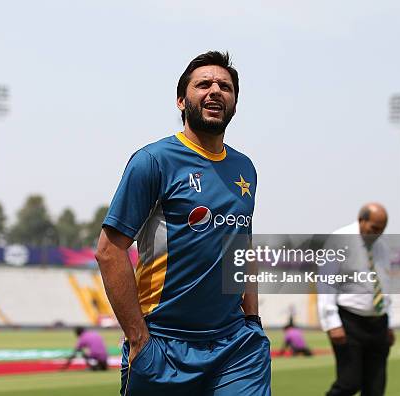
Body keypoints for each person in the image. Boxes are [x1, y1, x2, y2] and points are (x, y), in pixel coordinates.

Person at [95, 51, 270, 395]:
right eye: (203, 84)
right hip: (164, 346)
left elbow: (242, 248)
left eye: (226, 86)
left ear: (234, 103)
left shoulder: (244, 168)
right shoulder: (153, 161)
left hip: (236, 347)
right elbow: (109, 251)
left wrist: (252, 321)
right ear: (181, 101)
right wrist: (137, 337)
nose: (216, 90)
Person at [318, 203, 395, 396]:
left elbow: (384, 285)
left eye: (382, 229)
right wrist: (331, 323)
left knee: (375, 389)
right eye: (374, 228)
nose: (378, 233)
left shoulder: (382, 247)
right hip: (350, 322)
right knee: (349, 383)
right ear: (362, 220)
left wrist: (389, 323)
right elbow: (326, 283)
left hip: (378, 324)